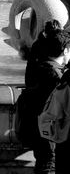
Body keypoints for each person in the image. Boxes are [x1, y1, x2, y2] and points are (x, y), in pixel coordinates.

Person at [21, 22, 70, 174]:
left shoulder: (41, 68)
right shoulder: (57, 76)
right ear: (66, 50)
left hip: (38, 131)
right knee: (48, 166)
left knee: (44, 165)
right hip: (52, 137)